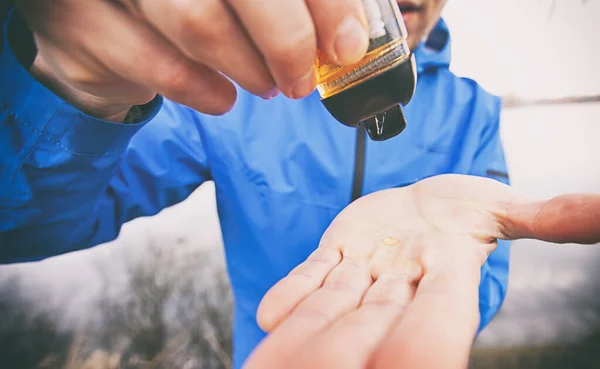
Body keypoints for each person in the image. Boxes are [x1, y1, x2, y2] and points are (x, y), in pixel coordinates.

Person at [1, 1, 513, 367]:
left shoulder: (474, 112)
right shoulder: (238, 93)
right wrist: (75, 86)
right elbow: (20, 229)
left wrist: (411, 308)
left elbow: (484, 277)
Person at [244, 174, 600, 369]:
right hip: (273, 341)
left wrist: (448, 296)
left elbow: (487, 258)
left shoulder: (472, 106)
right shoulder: (260, 96)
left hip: (421, 329)